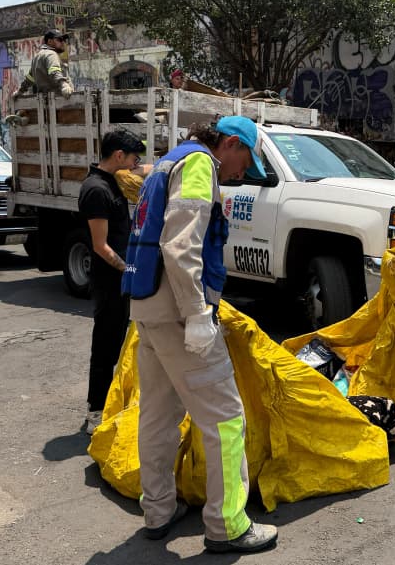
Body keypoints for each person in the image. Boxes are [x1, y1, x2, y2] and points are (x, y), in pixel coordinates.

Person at [122, 115, 277, 553]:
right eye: (245, 163)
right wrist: (196, 315)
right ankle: (228, 525)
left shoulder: (169, 161)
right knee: (226, 418)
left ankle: (158, 510)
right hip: (178, 314)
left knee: (157, 416)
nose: (241, 174)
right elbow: (180, 246)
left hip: (148, 309)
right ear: (230, 144)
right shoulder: (198, 165)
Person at [77, 130, 144, 434]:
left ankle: (110, 404)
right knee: (105, 345)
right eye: (132, 159)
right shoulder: (96, 190)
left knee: (117, 344)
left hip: (120, 279)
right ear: (119, 155)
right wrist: (129, 270)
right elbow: (101, 246)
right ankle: (96, 410)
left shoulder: (113, 181)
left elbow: (147, 171)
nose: (134, 165)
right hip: (109, 280)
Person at [12, 29, 74, 99]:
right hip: (59, 99)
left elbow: (30, 78)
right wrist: (64, 85)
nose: (63, 42)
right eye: (59, 40)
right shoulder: (51, 54)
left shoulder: (37, 56)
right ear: (49, 41)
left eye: (64, 40)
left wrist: (20, 91)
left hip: (44, 100)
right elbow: (54, 72)